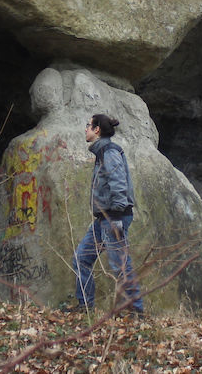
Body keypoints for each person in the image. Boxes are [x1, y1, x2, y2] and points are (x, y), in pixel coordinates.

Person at [70, 114, 144, 315]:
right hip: (104, 219)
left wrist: (117, 216)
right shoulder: (102, 151)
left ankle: (137, 313)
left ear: (97, 130)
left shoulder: (109, 152)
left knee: (120, 266)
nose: (85, 129)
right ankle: (85, 307)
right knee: (81, 259)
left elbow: (118, 183)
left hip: (113, 218)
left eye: (88, 125)